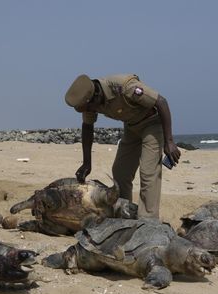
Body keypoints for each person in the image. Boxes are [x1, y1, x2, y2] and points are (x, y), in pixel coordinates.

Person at [65, 74, 181, 219]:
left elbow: (161, 102)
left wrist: (169, 141)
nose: (91, 111)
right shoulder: (89, 99)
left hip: (152, 125)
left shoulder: (123, 87)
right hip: (132, 127)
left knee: (148, 173)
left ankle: (148, 222)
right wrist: (87, 163)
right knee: (120, 172)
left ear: (95, 96)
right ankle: (125, 213)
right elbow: (87, 127)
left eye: (90, 107)